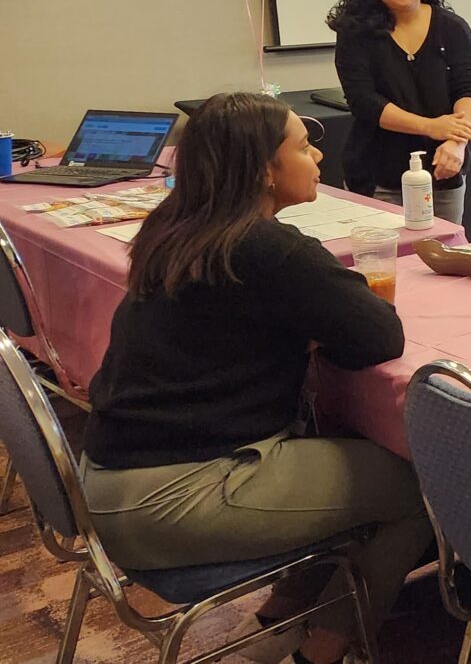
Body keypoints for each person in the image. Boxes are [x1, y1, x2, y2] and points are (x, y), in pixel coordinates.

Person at [81, 92, 430, 664]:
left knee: (340, 449)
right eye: (302, 145)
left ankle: (286, 611)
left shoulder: (176, 227)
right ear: (265, 170)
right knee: (423, 486)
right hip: (176, 499)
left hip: (110, 483)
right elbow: (379, 337)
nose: (318, 154)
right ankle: (325, 648)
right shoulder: (270, 248)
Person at [329, 0, 471, 224]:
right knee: (383, 260)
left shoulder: (452, 28)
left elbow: (470, 87)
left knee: (445, 256)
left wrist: (456, 143)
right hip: (377, 173)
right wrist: (431, 126)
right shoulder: (355, 33)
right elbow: (364, 102)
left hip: (444, 168)